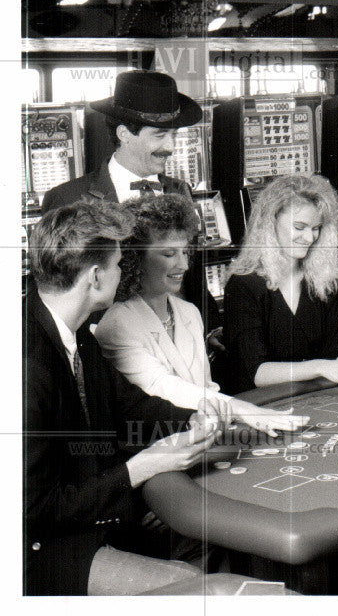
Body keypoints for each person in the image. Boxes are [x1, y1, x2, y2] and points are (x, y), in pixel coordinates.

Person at [23, 201, 262, 595]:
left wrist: (191, 420)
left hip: (92, 513)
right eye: (119, 264)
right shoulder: (28, 366)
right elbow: (34, 511)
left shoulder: (73, 328)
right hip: (40, 550)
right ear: (96, 277)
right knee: (191, 588)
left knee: (217, 536)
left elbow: (127, 403)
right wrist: (142, 468)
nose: (124, 273)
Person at [94, 194, 307, 435]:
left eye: (184, 252)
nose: (184, 265)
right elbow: (163, 387)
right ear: (136, 258)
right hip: (158, 445)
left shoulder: (189, 312)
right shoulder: (116, 324)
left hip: (203, 435)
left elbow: (206, 389)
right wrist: (244, 410)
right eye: (169, 254)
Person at [40, 69, 222, 338]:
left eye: (174, 135)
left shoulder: (179, 190)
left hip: (176, 341)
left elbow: (191, 275)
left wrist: (210, 328)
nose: (170, 146)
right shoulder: (68, 199)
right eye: (159, 135)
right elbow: (55, 293)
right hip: (103, 347)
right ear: (124, 133)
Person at [223, 174, 338, 394]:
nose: (309, 238)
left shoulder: (328, 280)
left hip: (314, 396)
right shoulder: (243, 285)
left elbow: (336, 352)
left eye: (316, 228)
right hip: (261, 403)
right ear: (270, 224)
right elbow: (257, 372)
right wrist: (321, 367)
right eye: (299, 227)